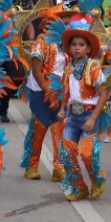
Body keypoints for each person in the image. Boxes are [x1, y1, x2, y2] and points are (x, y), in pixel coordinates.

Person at [58, 22, 108, 201]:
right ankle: (79, 187)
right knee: (66, 151)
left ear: (88, 49)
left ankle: (97, 181)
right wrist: (63, 109)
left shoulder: (93, 68)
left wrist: (93, 118)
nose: (77, 48)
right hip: (73, 115)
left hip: (88, 114)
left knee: (88, 153)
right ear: (69, 48)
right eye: (74, 45)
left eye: (81, 45)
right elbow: (67, 92)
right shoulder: (68, 68)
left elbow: (103, 95)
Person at [21, 14, 67, 183]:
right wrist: (49, 93)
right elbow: (37, 71)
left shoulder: (65, 45)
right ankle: (32, 165)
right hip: (40, 93)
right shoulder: (41, 44)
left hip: (59, 93)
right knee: (39, 128)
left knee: (59, 128)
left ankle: (58, 167)